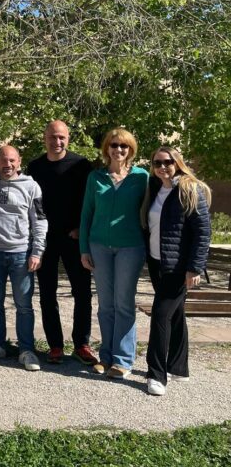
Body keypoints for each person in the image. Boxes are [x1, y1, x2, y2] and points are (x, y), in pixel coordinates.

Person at [79, 128, 148, 380]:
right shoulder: (95, 177)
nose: (118, 150)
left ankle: (123, 359)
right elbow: (86, 214)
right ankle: (106, 357)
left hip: (130, 246)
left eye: (124, 146)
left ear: (131, 150)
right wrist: (84, 249)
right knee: (106, 305)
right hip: (99, 246)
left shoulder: (142, 177)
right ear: (106, 148)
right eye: (114, 145)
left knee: (124, 303)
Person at [27, 121, 97, 366]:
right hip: (45, 239)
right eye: (53, 137)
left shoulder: (81, 165)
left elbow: (90, 202)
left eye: (62, 137)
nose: (57, 142)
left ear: (68, 138)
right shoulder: (35, 167)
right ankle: (55, 345)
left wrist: (81, 229)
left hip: (74, 238)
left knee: (82, 292)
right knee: (47, 293)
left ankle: (81, 344)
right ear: (45, 138)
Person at [142, 146, 211, 396]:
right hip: (156, 262)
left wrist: (194, 267)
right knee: (176, 312)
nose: (163, 167)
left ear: (177, 163)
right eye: (157, 163)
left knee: (160, 315)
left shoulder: (189, 189)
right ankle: (179, 367)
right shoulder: (154, 187)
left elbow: (203, 232)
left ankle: (156, 374)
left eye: (168, 162)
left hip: (178, 267)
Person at [0, 145, 47, 371]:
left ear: (19, 161)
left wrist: (37, 251)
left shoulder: (31, 186)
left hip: (21, 254)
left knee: (24, 305)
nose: (7, 164)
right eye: (3, 160)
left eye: (12, 160)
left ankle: (26, 350)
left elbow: (40, 220)